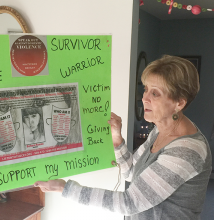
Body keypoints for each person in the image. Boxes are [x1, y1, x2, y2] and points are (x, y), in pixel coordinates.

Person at [34, 55, 212, 219]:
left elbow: (130, 203)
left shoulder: (187, 150)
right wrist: (117, 139)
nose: (144, 98)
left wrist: (64, 188)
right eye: (146, 89)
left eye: (155, 93)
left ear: (179, 103)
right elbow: (132, 173)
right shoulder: (160, 130)